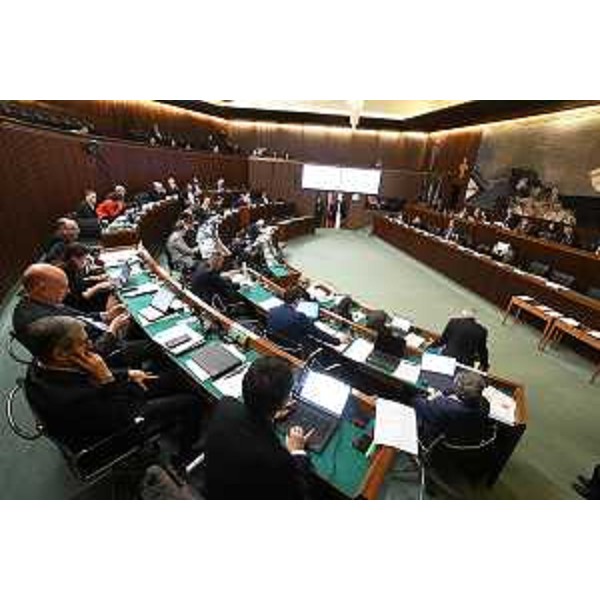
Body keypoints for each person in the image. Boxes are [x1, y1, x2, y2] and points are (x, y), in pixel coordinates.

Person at [24, 316, 204, 465]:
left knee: (172, 378)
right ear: (60, 354)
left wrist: (126, 374)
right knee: (192, 402)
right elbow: (125, 417)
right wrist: (107, 379)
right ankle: (185, 456)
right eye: (85, 342)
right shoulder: (70, 398)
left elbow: (83, 374)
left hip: (106, 401)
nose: (91, 345)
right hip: (114, 431)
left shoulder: (42, 363)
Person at [205, 357, 312, 499]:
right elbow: (298, 493)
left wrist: (272, 415)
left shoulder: (225, 404)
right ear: (283, 401)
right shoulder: (277, 459)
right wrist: (297, 451)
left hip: (215, 487)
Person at [12, 263, 137, 363]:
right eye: (63, 287)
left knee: (134, 323)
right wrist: (112, 329)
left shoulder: (43, 300)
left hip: (99, 333)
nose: (68, 291)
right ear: (42, 289)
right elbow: (89, 355)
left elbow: (80, 317)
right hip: (105, 351)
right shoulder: (41, 322)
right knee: (147, 344)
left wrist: (105, 315)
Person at [413, 370, 490, 447]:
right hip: (466, 443)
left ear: (462, 394)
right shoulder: (485, 405)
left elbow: (419, 404)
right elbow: (454, 392)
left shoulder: (443, 406)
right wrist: (445, 393)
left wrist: (432, 398)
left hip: (437, 444)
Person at [267, 286, 343, 348]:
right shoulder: (299, 316)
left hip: (275, 341)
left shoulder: (273, 310)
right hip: (294, 346)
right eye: (301, 299)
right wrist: (337, 341)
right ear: (297, 300)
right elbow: (317, 333)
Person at [61, 243, 115, 312]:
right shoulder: (64, 275)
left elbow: (80, 281)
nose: (85, 263)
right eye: (83, 260)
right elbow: (78, 300)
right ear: (73, 259)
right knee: (107, 294)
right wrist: (97, 288)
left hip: (82, 298)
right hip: (79, 307)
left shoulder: (72, 269)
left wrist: (96, 278)